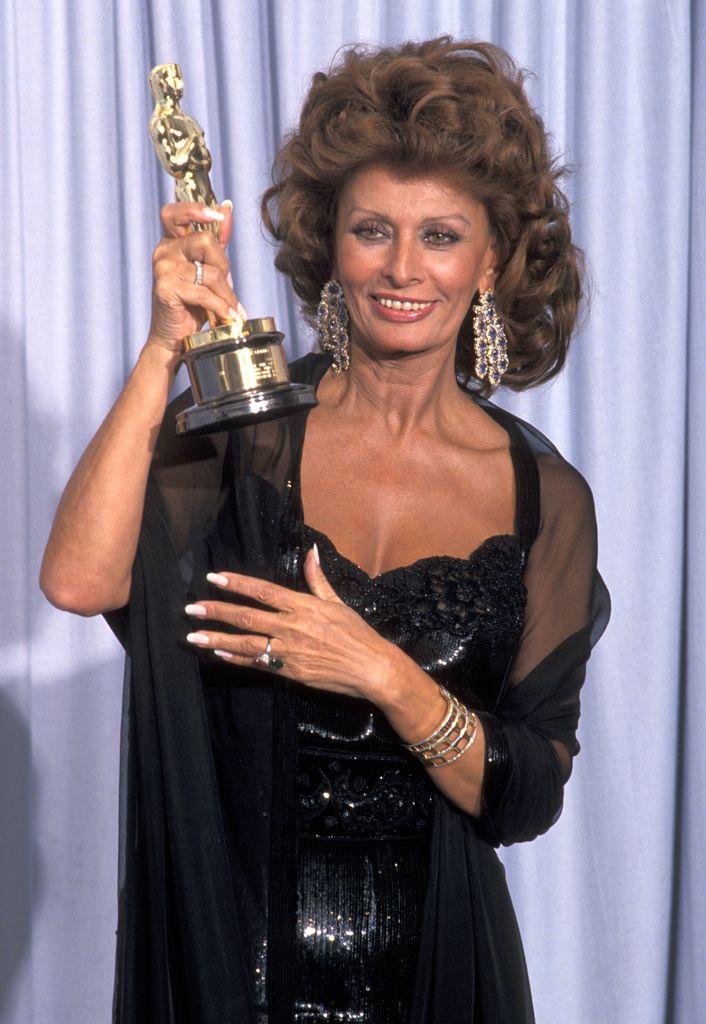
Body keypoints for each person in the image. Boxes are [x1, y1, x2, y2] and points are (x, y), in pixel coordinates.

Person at [40, 37, 609, 1024]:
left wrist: (382, 673)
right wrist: (162, 350)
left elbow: (524, 794)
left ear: (490, 262)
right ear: (328, 246)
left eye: (439, 236)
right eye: (370, 230)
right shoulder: (246, 428)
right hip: (229, 956)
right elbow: (81, 582)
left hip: (440, 972)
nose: (401, 267)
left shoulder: (540, 494)